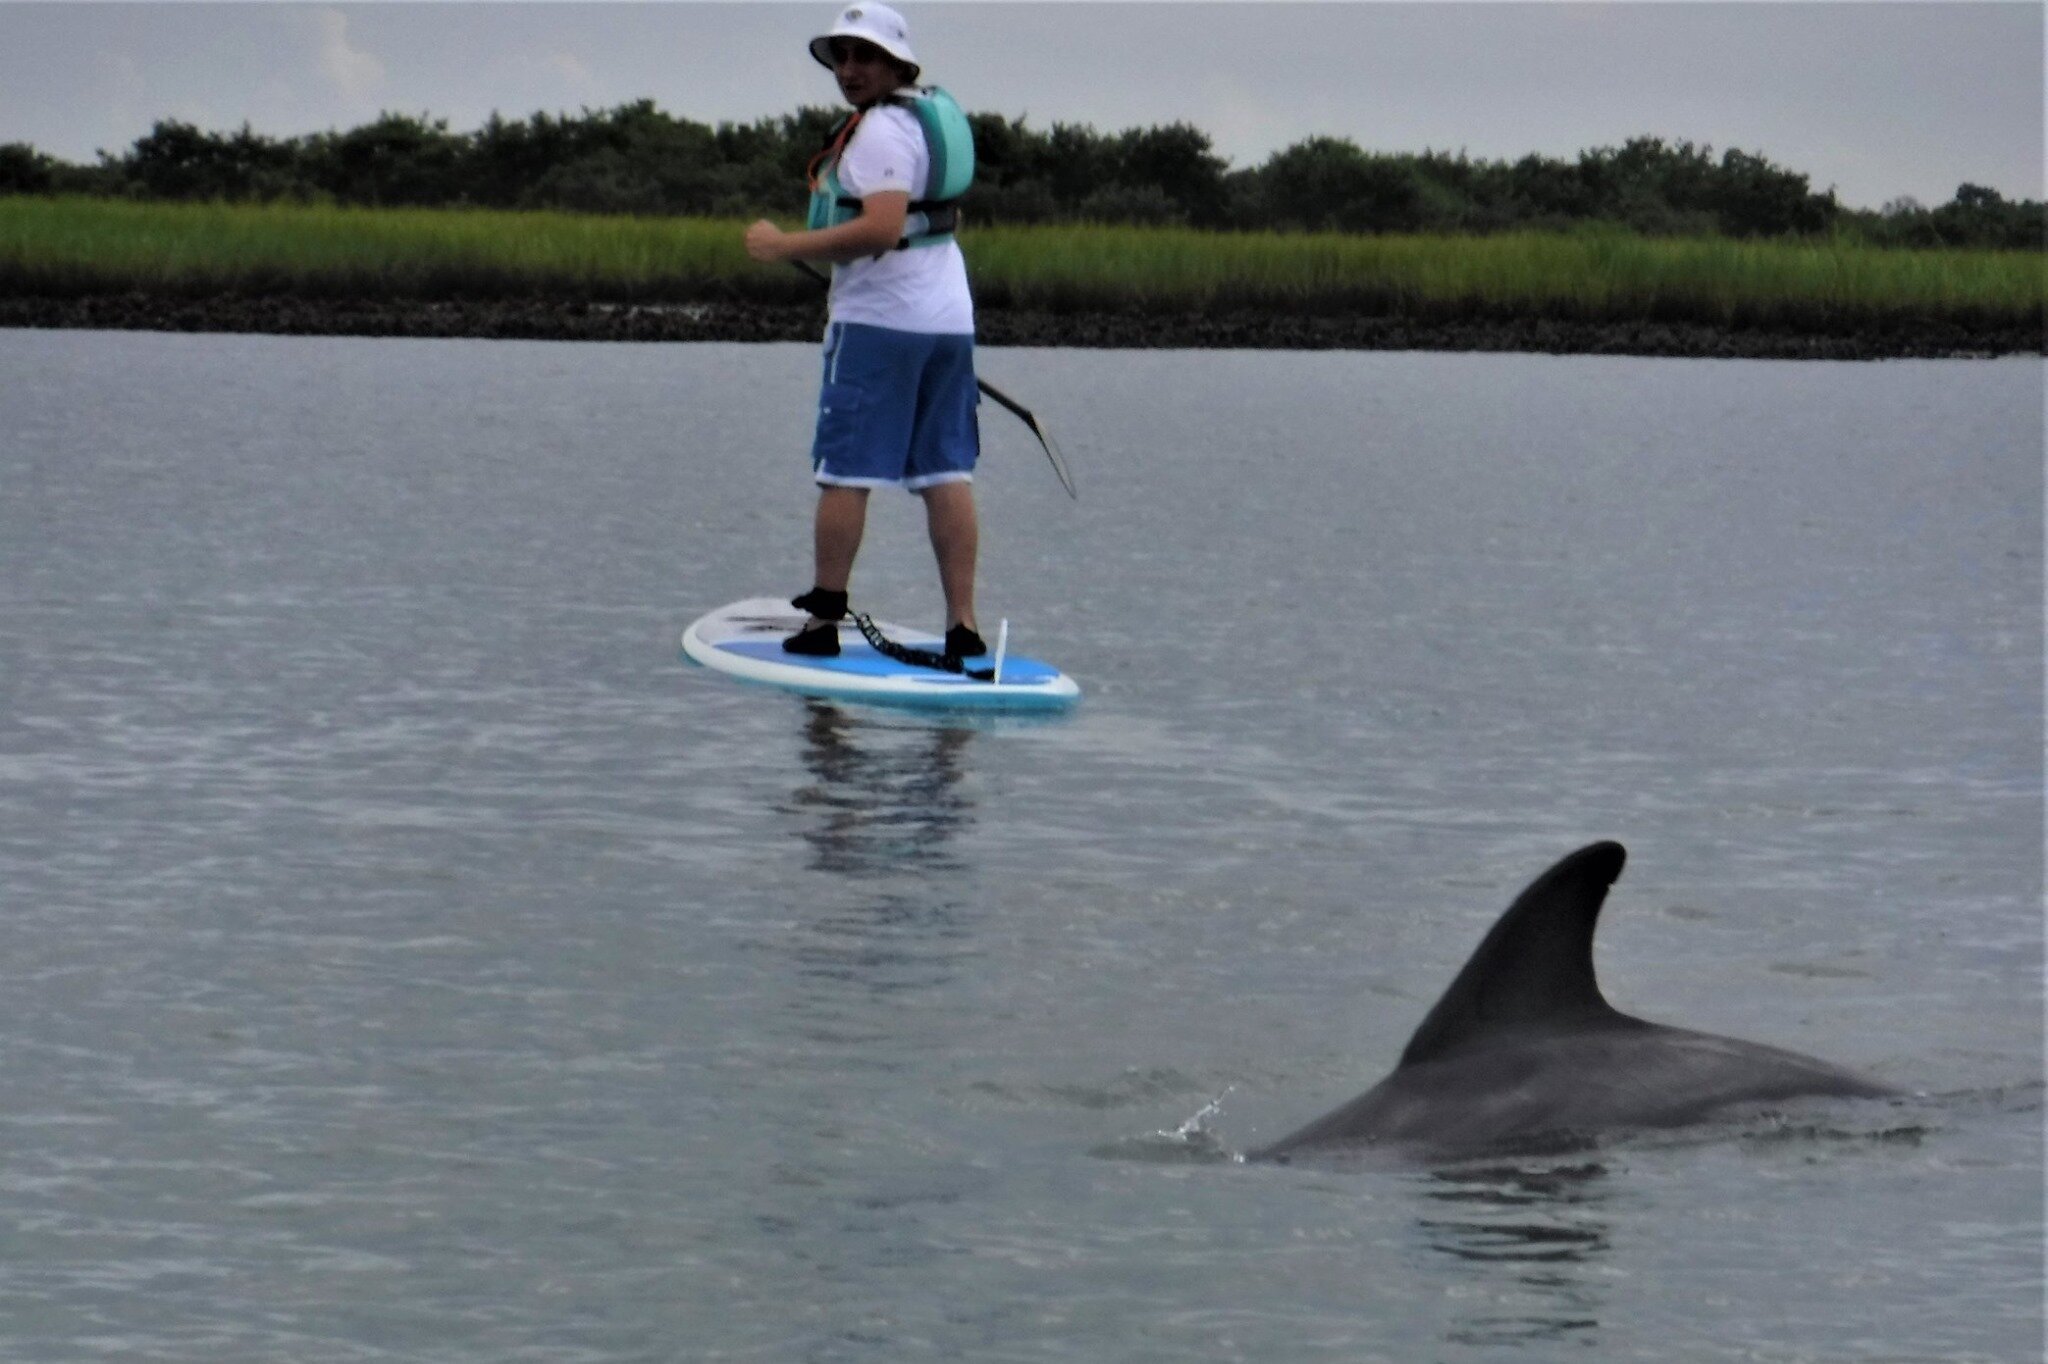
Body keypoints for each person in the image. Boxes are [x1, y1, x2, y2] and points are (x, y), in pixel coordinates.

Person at [744, 2, 984, 660]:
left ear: (897, 66)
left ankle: (822, 625)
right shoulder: (922, 119)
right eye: (842, 56)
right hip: (948, 323)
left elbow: (880, 229)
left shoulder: (880, 132)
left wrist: (784, 244)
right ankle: (963, 628)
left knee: (844, 472)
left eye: (866, 57)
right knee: (945, 469)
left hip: (880, 325)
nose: (850, 69)